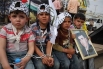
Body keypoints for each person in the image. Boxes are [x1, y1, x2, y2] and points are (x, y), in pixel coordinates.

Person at [0, 1, 35, 69]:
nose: (18, 19)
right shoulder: (5, 30)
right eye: (14, 16)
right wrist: (6, 66)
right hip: (8, 56)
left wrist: (26, 60)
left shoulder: (29, 31)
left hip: (24, 56)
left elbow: (31, 48)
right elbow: (1, 48)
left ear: (26, 19)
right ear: (9, 18)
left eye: (21, 17)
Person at [31, 4, 60, 69]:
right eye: (41, 14)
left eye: (47, 14)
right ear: (37, 16)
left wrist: (48, 56)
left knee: (56, 65)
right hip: (35, 50)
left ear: (50, 16)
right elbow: (33, 45)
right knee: (40, 66)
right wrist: (43, 57)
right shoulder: (33, 28)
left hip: (47, 48)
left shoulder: (52, 29)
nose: (44, 16)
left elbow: (49, 44)